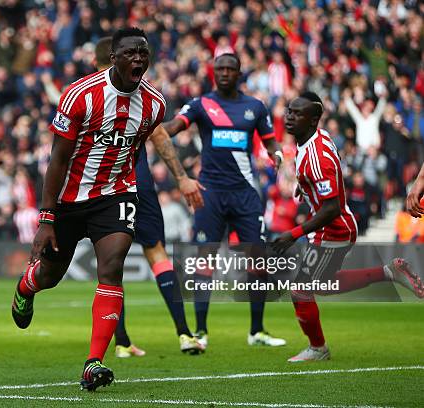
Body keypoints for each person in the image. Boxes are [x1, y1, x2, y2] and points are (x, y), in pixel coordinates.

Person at [10, 28, 166, 391]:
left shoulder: (155, 104)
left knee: (112, 267)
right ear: (114, 58)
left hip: (116, 194)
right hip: (68, 199)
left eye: (144, 53)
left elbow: (136, 149)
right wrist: (46, 219)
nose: (139, 59)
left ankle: (93, 363)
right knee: (49, 276)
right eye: (131, 53)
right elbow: (57, 159)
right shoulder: (80, 96)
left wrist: (122, 180)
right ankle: (26, 286)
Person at [273, 92, 423, 362]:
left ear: (314, 119)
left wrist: (293, 234)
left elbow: (330, 207)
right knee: (319, 284)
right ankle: (389, 272)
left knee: (300, 290)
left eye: (297, 113)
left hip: (334, 228)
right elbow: (323, 175)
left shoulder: (316, 156)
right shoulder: (314, 139)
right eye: (289, 111)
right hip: (333, 224)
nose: (290, 117)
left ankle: (318, 349)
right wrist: (304, 186)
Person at [153, 53, 286, 349]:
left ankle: (257, 330)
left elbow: (269, 139)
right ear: (214, 73)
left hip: (245, 194)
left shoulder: (255, 107)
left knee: (258, 260)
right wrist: (160, 129)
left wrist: (276, 154)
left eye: (230, 68)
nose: (225, 72)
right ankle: (200, 331)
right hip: (209, 193)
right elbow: (176, 125)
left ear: (239, 73)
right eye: (220, 68)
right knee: (204, 261)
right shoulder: (202, 104)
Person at [85, 37, 205, 358]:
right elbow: (159, 134)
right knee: (156, 252)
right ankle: (184, 334)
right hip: (137, 181)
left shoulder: (85, 94)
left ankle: (121, 342)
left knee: (111, 264)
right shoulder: (137, 94)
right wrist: (181, 178)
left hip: (101, 190)